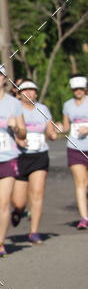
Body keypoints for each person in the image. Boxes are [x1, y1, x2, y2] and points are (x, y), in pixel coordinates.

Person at [0, 63, 26, 257]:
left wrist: (16, 127)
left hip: (6, 158)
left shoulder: (14, 104)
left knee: (3, 205)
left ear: (5, 79)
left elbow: (23, 133)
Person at [11, 80, 57, 243]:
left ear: (36, 93)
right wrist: (18, 139)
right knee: (19, 202)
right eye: (25, 90)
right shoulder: (15, 109)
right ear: (19, 94)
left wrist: (52, 134)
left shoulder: (43, 109)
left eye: (32, 90)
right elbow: (9, 130)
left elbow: (50, 130)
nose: (29, 93)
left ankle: (34, 232)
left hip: (39, 156)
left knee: (37, 193)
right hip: (19, 156)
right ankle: (17, 211)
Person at [59, 76, 88, 228]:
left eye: (81, 89)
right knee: (80, 183)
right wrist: (59, 128)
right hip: (75, 147)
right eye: (76, 89)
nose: (78, 91)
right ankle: (84, 218)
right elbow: (66, 127)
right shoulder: (67, 105)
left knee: (86, 184)